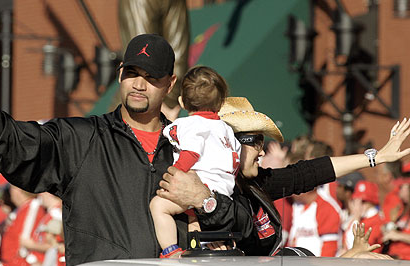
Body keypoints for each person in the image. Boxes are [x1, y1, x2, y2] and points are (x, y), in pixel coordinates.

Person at [0, 19, 215, 266]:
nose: (139, 85)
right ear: (120, 75)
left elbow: (245, 222)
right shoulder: (80, 138)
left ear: (170, 84)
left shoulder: (193, 144)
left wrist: (205, 201)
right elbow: (7, 143)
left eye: (151, 77)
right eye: (132, 73)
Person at [157, 97, 410, 257]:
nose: (262, 150)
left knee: (298, 255)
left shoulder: (258, 184)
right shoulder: (195, 189)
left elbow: (310, 172)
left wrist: (376, 157)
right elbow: (233, 224)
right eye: (256, 141)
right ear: (231, 144)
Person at [150, 66, 240, 258]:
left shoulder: (189, 124)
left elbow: (191, 153)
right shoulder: (227, 130)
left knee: (158, 206)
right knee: (194, 221)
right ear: (221, 103)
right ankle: (198, 251)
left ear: (182, 101)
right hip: (223, 192)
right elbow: (236, 159)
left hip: (198, 184)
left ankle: (170, 251)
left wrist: (174, 173)